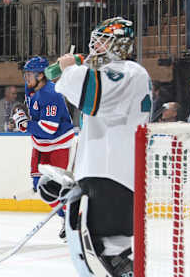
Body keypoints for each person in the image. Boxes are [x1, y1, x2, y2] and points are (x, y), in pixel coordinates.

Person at [54, 17, 151, 276]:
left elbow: (92, 96)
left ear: (120, 44)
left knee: (111, 253)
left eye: (103, 40)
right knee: (98, 252)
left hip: (114, 173)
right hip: (104, 171)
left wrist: (70, 69)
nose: (96, 45)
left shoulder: (128, 71)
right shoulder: (118, 72)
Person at [11, 56, 75, 240]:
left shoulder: (51, 94)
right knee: (40, 187)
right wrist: (21, 113)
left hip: (58, 144)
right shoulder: (30, 88)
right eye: (25, 74)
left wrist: (24, 125)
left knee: (58, 187)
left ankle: (70, 222)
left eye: (29, 74)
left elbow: (48, 129)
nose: (26, 78)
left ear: (41, 76)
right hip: (40, 145)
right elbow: (31, 112)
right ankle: (65, 217)